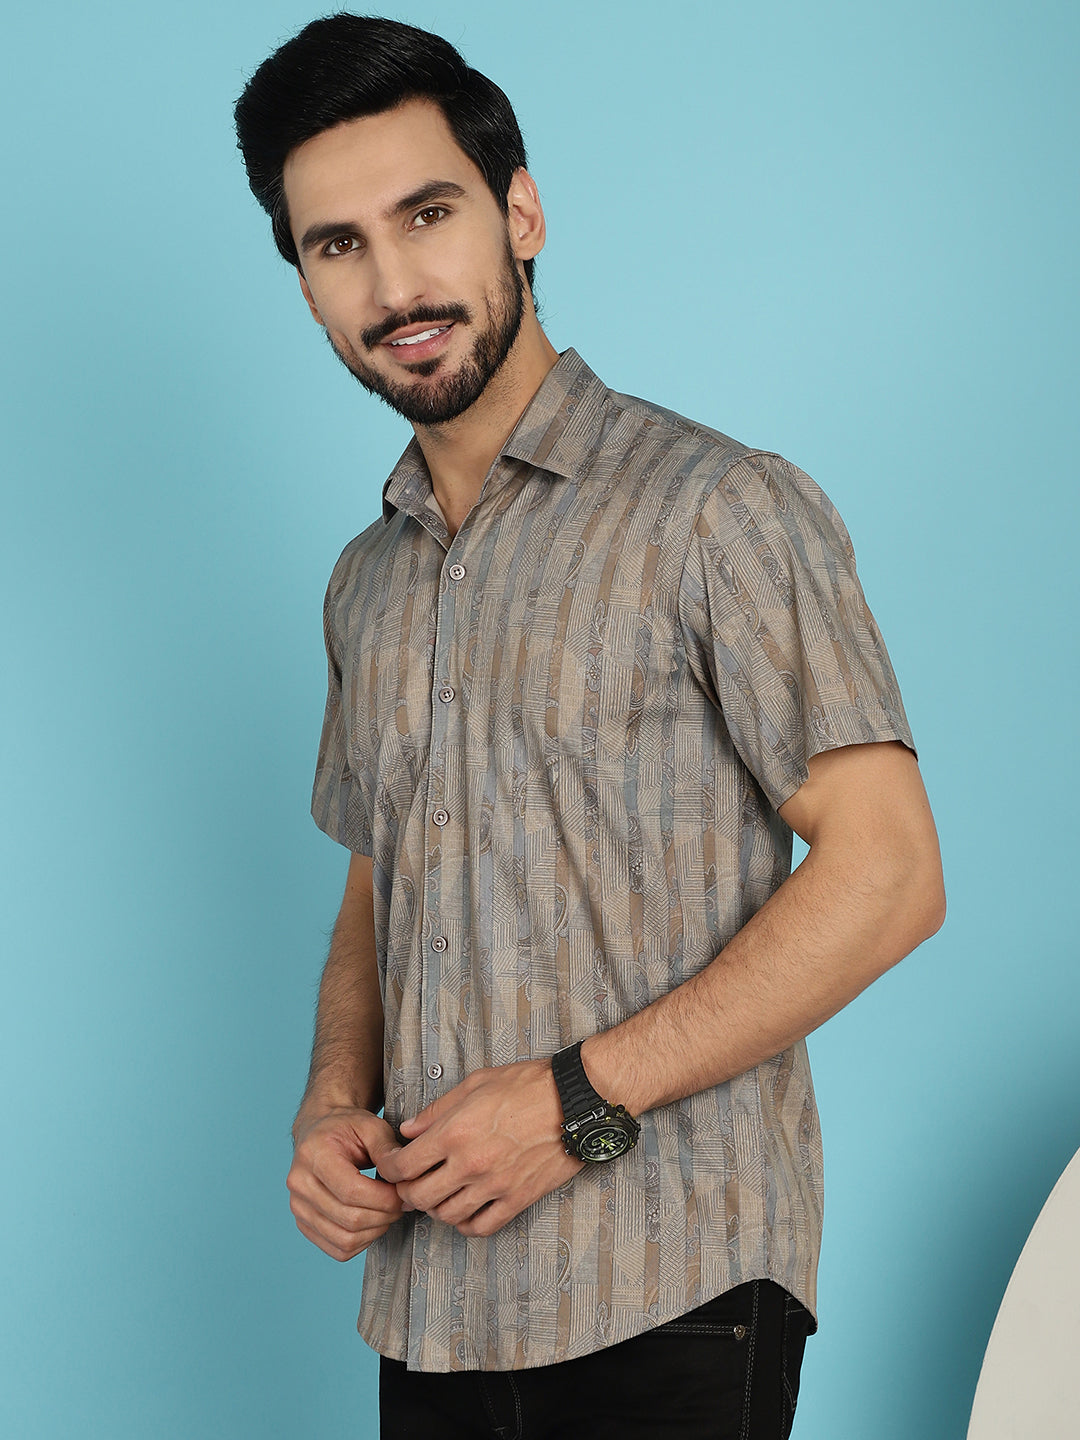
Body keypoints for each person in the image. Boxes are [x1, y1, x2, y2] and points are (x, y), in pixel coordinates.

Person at [234, 14, 945, 1438]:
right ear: (306, 285)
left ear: (520, 214)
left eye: (427, 215)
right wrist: (329, 1100)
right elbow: (381, 877)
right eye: (339, 245)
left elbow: (890, 876)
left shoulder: (720, 508)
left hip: (671, 1288)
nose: (395, 284)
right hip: (433, 1309)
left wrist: (573, 1103)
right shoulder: (365, 582)